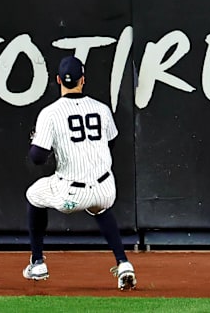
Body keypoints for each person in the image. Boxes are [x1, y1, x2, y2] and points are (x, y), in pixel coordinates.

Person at [22, 55, 136, 291]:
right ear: (83, 80)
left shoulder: (50, 113)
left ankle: (37, 262)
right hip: (105, 188)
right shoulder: (101, 109)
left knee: (34, 195)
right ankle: (123, 262)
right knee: (101, 207)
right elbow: (111, 143)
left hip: (70, 194)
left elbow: (37, 158)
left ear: (57, 80)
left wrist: (37, 142)